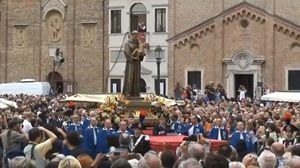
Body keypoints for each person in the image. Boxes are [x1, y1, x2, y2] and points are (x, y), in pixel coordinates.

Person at [122, 30, 146, 97]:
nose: (136, 37)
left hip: (137, 63)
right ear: (132, 35)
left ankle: (136, 93)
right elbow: (126, 52)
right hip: (131, 63)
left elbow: (141, 52)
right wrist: (132, 57)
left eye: (137, 36)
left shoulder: (138, 43)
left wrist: (141, 54)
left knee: (136, 78)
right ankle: (128, 92)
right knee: (130, 77)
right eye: (135, 35)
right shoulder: (127, 43)